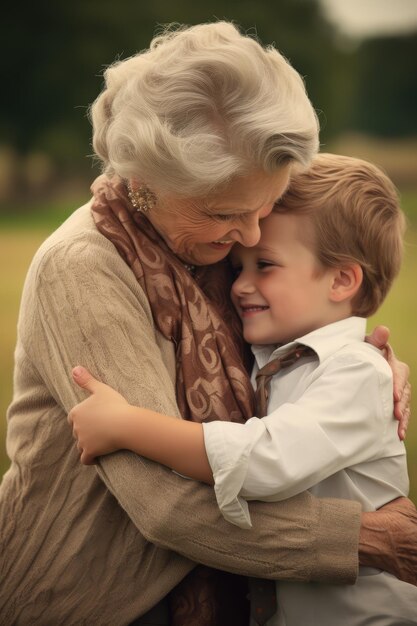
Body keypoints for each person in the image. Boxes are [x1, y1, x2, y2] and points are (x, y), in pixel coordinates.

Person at [0, 21, 415, 625]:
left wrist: (362, 359)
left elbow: (312, 293)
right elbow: (167, 507)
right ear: (146, 186)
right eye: (226, 214)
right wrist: (366, 540)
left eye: (264, 208)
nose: (249, 236)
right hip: (90, 599)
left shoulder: (213, 238)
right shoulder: (84, 268)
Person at [69, 153, 417, 625]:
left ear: (341, 279)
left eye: (264, 265)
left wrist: (127, 426)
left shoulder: (358, 373)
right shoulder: (269, 358)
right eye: (238, 268)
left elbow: (262, 462)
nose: (239, 286)